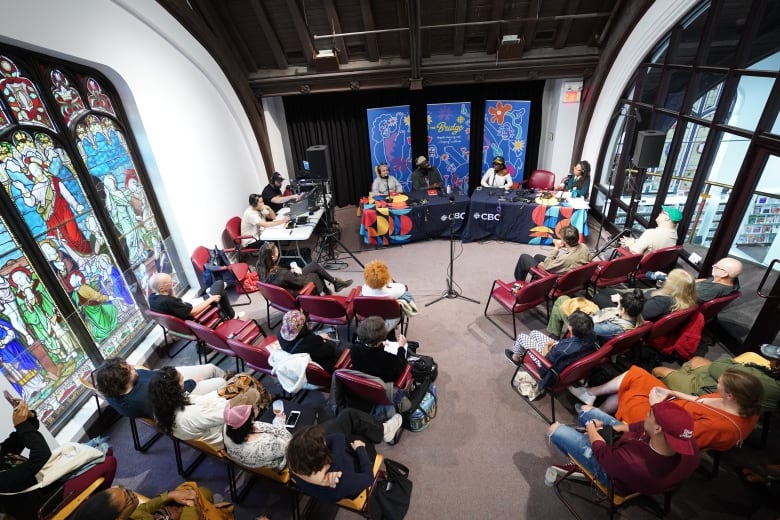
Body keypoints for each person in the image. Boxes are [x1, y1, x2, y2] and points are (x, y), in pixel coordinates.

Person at [568, 365, 763, 451]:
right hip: (673, 406)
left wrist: (656, 406)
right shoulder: (745, 404)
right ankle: (595, 403)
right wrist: (675, 394)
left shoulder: (719, 427)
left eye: (719, 383)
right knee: (638, 375)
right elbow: (699, 400)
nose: (716, 384)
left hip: (659, 422)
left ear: (730, 395)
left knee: (629, 385)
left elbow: (676, 437)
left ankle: (594, 404)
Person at [545, 400, 700, 497]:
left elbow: (601, 451)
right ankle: (583, 451)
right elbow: (639, 426)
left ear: (658, 429)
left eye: (649, 414)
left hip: (616, 477)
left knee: (555, 429)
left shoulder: (636, 464)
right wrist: (611, 429)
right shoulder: (685, 439)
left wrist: (591, 428)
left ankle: (583, 467)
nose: (646, 415)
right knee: (586, 410)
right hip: (624, 453)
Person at [223, 401, 401, 471]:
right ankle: (384, 431)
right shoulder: (266, 445)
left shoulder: (228, 432)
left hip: (282, 452)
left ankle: (377, 432)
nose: (254, 410)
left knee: (349, 427)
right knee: (348, 416)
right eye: (250, 414)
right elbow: (289, 443)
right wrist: (279, 424)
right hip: (299, 454)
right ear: (246, 425)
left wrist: (276, 424)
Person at [286, 409, 403, 503]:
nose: (325, 439)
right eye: (323, 442)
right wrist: (360, 449)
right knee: (360, 433)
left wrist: (334, 469)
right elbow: (368, 478)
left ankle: (382, 430)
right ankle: (383, 431)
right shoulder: (341, 482)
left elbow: (338, 437)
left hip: (337, 463)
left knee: (348, 415)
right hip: (355, 467)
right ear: (324, 456)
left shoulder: (294, 463)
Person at [652, 346, 780, 414]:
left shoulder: (751, 377)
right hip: (726, 393)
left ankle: (672, 387)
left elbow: (716, 367)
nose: (771, 361)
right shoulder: (771, 386)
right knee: (696, 361)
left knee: (658, 370)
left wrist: (737, 367)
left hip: (707, 391)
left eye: (775, 360)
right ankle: (680, 379)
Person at [94, 357, 227, 419]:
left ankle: (230, 378)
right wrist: (192, 382)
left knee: (210, 368)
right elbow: (174, 396)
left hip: (167, 377)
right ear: (123, 381)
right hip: (180, 390)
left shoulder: (110, 390)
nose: (133, 367)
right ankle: (234, 384)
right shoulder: (144, 398)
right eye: (130, 369)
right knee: (220, 381)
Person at [505, 311, 597, 389]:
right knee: (534, 333)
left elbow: (545, 359)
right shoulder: (591, 336)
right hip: (566, 356)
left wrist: (547, 346)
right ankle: (519, 350)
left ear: (571, 328)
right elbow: (566, 347)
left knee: (522, 337)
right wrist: (556, 344)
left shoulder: (562, 349)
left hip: (547, 367)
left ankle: (515, 358)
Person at [148, 366, 229, 449]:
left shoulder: (160, 410)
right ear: (175, 389)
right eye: (182, 380)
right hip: (224, 437)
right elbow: (227, 415)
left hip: (204, 432)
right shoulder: (192, 414)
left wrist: (218, 396)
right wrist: (226, 400)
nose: (184, 382)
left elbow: (198, 400)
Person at [70, 483, 221, 520]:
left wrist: (169, 496)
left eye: (123, 488)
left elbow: (141, 510)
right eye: (128, 496)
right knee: (200, 493)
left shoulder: (129, 514)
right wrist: (190, 506)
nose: (131, 493)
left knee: (190, 489)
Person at [593, 268, 696, 321]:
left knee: (597, 297)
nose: (667, 278)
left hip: (630, 313)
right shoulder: (681, 297)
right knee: (605, 291)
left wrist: (620, 301)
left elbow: (638, 314)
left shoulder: (662, 301)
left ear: (673, 285)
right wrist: (660, 286)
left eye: (669, 278)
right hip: (638, 301)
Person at [547, 289, 645, 341]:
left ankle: (555, 336)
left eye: (619, 305)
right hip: (598, 322)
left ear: (623, 310)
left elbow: (587, 327)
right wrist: (620, 301)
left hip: (586, 332)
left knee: (561, 301)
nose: (617, 305)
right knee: (566, 300)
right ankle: (554, 334)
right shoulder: (636, 316)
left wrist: (592, 316)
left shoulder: (612, 328)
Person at [256, 243, 352, 296]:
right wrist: (297, 271)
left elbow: (283, 278)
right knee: (316, 274)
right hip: (295, 292)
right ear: (272, 257)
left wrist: (290, 273)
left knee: (314, 265)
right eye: (277, 253)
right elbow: (300, 282)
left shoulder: (259, 266)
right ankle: (330, 289)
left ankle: (335, 283)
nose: (278, 254)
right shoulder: (281, 273)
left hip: (279, 293)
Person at [513, 225, 591, 281]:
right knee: (537, 256)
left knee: (524, 257)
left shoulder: (565, 259)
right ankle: (535, 280)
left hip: (553, 279)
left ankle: (519, 282)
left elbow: (547, 266)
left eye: (561, 238)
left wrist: (556, 249)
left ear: (565, 241)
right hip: (574, 274)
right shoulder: (584, 246)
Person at [277, 309, 347, 373]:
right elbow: (330, 351)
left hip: (301, 365)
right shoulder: (311, 341)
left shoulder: (280, 335)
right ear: (303, 327)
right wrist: (324, 340)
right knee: (338, 347)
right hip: (322, 368)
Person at [649, 256, 742, 303]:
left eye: (716, 267)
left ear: (725, 273)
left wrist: (662, 285)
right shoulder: (731, 282)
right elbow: (699, 281)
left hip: (671, 299)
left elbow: (681, 298)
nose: (713, 266)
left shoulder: (710, 290)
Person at [149, 272, 238, 320]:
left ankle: (213, 293)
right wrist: (211, 299)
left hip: (187, 306)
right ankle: (232, 316)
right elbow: (194, 312)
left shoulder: (152, 297)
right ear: (161, 289)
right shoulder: (168, 301)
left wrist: (170, 288)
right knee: (219, 284)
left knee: (220, 291)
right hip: (196, 315)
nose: (173, 282)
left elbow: (174, 302)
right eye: (169, 282)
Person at [351, 316, 408, 383]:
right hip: (384, 387)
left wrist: (380, 344)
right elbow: (401, 367)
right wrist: (401, 347)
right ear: (383, 336)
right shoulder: (388, 358)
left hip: (361, 384)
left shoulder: (354, 349)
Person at [616, 206, 681, 256]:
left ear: (667, 218)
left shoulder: (651, 233)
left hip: (636, 265)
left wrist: (630, 244)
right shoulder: (673, 235)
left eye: (662, 213)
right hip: (653, 266)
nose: (659, 213)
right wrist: (635, 241)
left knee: (609, 252)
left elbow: (635, 252)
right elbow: (654, 243)